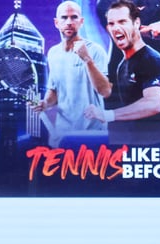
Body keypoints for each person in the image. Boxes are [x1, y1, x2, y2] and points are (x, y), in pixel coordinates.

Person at [86, 0, 160, 145]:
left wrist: (108, 115)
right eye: (111, 24)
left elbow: (152, 105)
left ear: (136, 23)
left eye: (122, 22)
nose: (116, 28)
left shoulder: (152, 60)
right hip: (135, 147)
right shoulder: (123, 65)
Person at [32, 1, 112, 146]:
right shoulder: (53, 53)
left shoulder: (96, 50)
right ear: (56, 23)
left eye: (74, 17)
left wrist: (87, 59)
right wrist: (44, 104)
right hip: (63, 135)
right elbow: (55, 91)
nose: (69, 22)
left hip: (93, 134)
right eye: (64, 18)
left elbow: (105, 91)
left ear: (81, 21)